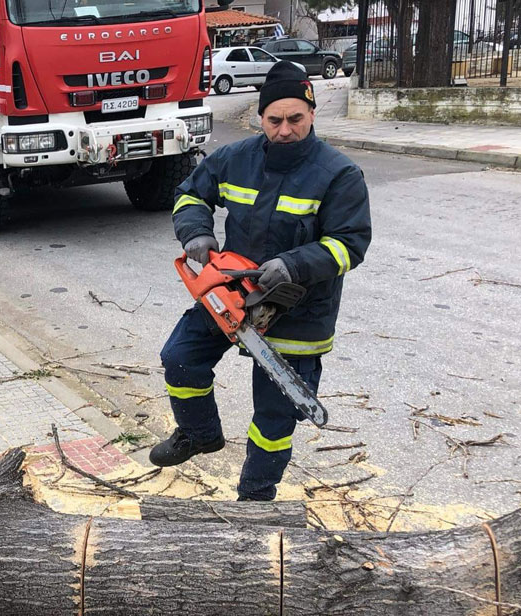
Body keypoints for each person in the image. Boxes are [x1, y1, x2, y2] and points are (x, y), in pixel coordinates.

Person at [150, 60, 372, 501]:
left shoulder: (339, 174)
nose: (285, 130)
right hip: (231, 293)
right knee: (180, 357)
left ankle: (255, 497)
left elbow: (350, 243)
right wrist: (195, 232)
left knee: (274, 418)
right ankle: (199, 433)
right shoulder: (236, 159)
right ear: (260, 118)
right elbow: (190, 194)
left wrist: (294, 265)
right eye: (275, 120)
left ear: (312, 114)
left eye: (295, 119)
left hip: (299, 309)